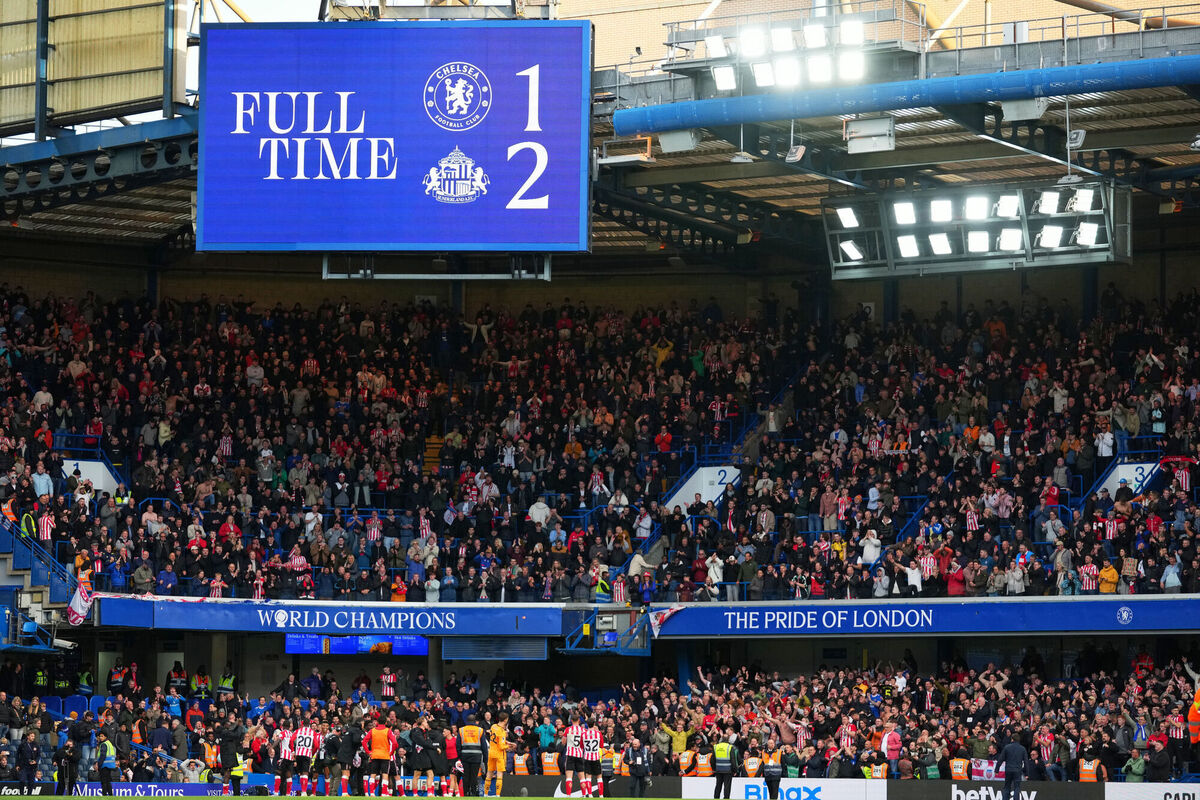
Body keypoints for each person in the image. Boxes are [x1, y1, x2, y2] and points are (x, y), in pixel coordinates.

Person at [485, 711, 515, 797]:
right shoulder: (502, 731)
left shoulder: (493, 726)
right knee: (499, 775)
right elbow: (501, 746)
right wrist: (509, 746)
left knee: (489, 774)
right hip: (499, 755)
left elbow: (496, 740)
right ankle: (497, 795)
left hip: (491, 752)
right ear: (505, 720)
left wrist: (507, 742)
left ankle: (485, 794)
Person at [458, 715, 485, 797]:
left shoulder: (461, 730)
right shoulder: (480, 730)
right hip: (476, 757)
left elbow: (458, 745)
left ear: (467, 720)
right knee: (474, 776)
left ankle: (466, 794)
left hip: (465, 756)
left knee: (465, 776)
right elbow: (484, 746)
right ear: (475, 721)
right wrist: (485, 758)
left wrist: (460, 757)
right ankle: (474, 794)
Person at [999, 731, 1028, 800]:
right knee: (1017, 787)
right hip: (1017, 770)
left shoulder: (1007, 747)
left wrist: (997, 769)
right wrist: (1027, 773)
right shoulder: (1022, 749)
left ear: (1012, 739)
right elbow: (1026, 762)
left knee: (1007, 787)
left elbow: (1001, 759)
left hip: (1008, 769)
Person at [712, 732, 739, 800]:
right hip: (728, 770)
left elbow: (712, 759)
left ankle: (716, 798)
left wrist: (714, 768)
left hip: (718, 770)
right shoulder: (730, 747)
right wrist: (735, 770)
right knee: (727, 787)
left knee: (718, 785)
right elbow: (733, 760)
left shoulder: (716, 746)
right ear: (728, 739)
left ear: (722, 739)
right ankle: (726, 798)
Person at [96, 729, 117, 796]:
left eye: (102, 736)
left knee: (104, 782)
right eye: (100, 736)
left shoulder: (104, 744)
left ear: (105, 737)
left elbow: (103, 755)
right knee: (108, 781)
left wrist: (99, 765)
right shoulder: (109, 743)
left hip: (104, 765)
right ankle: (110, 795)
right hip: (110, 765)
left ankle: (104, 795)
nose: (100, 738)